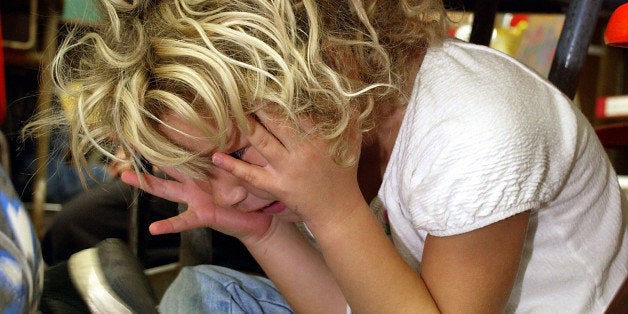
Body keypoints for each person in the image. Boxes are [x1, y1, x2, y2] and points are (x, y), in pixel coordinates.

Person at [26, 0, 627, 312]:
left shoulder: (479, 134)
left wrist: (337, 216)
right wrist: (262, 233)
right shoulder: (333, 123)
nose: (229, 189)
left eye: (233, 153)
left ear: (326, 68)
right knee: (204, 291)